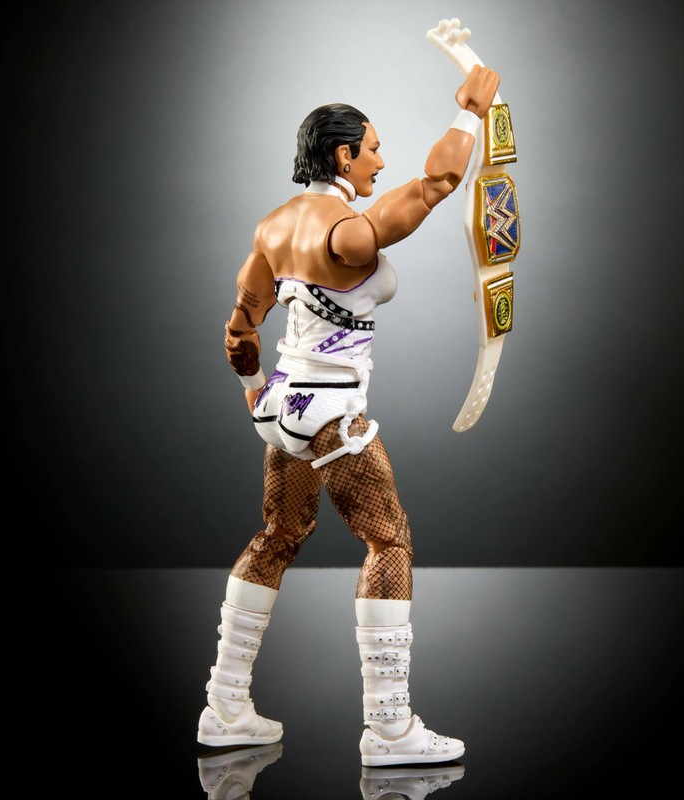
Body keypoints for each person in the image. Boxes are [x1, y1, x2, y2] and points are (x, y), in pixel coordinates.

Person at [198, 62, 500, 766]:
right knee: (389, 543)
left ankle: (224, 707)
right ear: (343, 155)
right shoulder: (348, 233)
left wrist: (257, 394)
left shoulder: (273, 227)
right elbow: (437, 184)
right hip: (334, 417)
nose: (380, 162)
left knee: (278, 536)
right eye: (373, 150)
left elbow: (240, 331)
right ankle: (389, 728)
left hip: (284, 410)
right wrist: (470, 113)